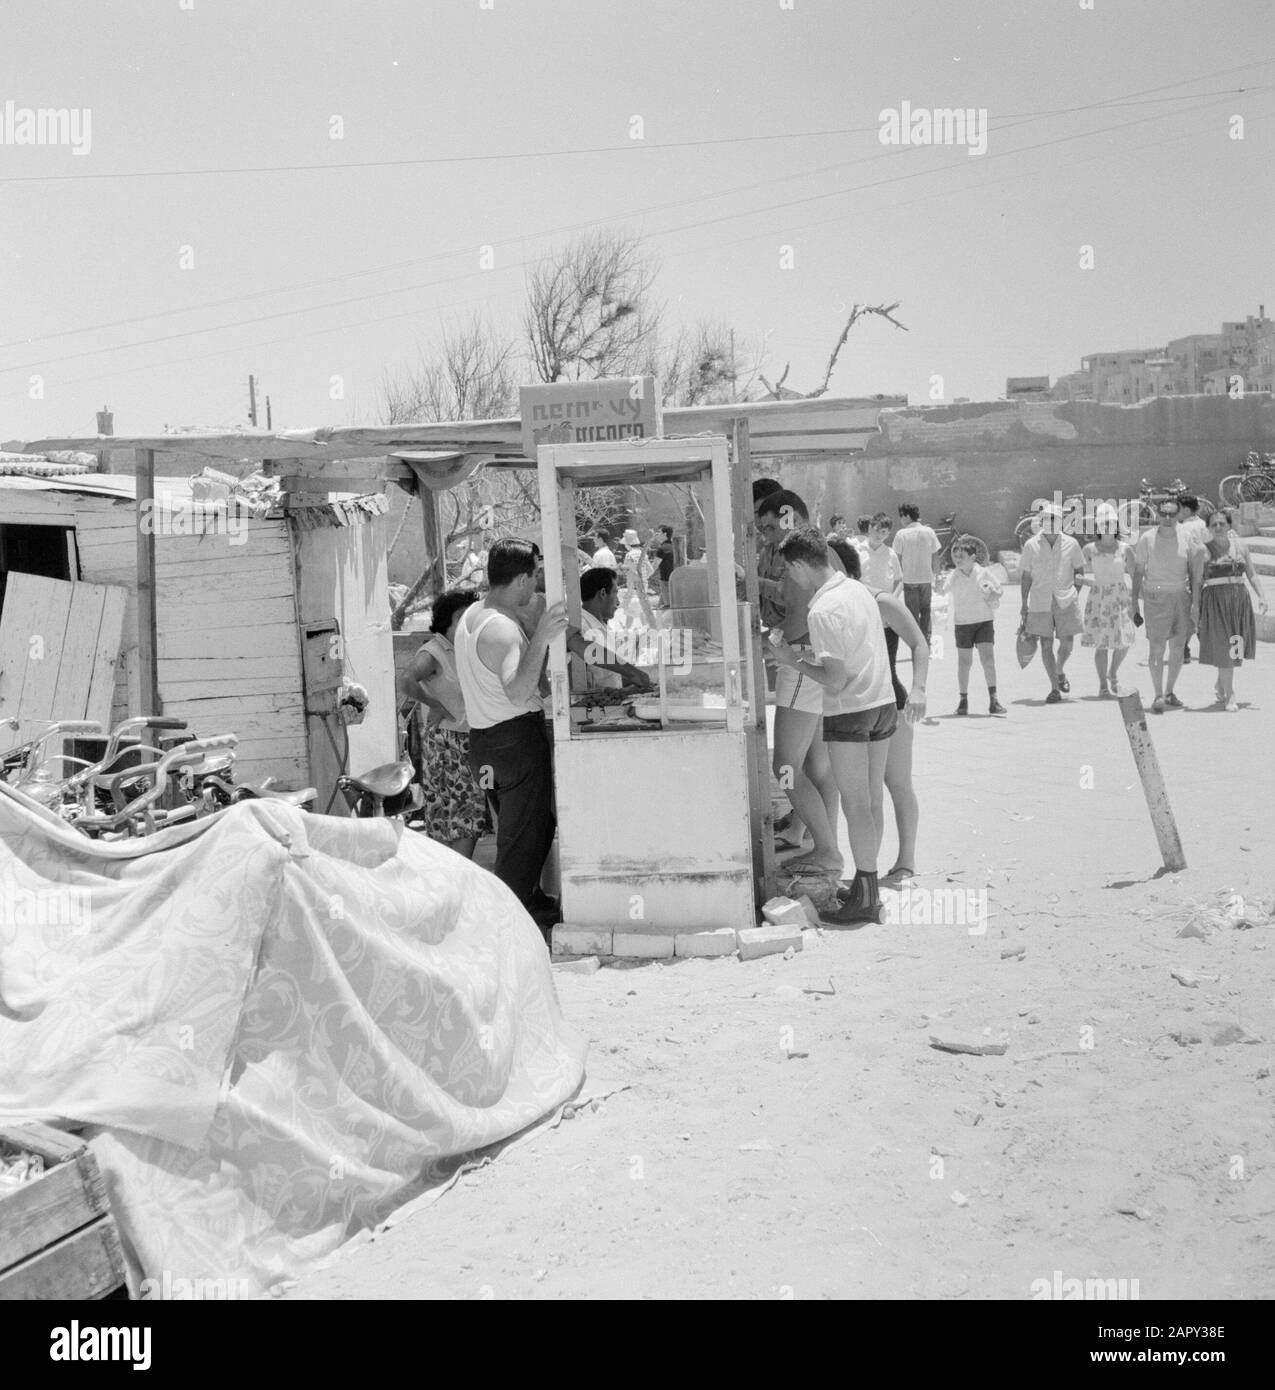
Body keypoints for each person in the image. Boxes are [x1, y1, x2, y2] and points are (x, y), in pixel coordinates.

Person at [770, 528, 913, 926]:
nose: (789, 579)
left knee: (856, 806)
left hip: (850, 711)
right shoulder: (858, 591)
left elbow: (832, 678)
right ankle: (867, 886)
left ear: (800, 564)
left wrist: (788, 658)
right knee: (867, 803)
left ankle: (866, 899)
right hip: (882, 703)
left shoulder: (823, 609)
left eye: (787, 570)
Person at [454, 538, 567, 922]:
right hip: (514, 739)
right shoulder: (501, 629)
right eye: (535, 575)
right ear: (521, 579)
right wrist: (541, 636)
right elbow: (519, 691)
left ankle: (530, 902)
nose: (537, 583)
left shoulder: (473, 614)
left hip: (485, 743)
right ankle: (509, 924)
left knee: (519, 833)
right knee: (524, 839)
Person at [828, 538, 929, 886]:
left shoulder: (880, 600)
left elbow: (919, 643)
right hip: (861, 706)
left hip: (894, 703)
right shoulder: (834, 605)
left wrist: (919, 689)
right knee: (869, 794)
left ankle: (905, 861)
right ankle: (867, 874)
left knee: (897, 784)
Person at [755, 489, 845, 874]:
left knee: (785, 767)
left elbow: (795, 619)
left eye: (771, 527)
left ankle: (826, 849)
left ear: (790, 515)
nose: (768, 537)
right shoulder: (823, 550)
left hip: (802, 665)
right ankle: (827, 843)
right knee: (818, 766)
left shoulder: (798, 555)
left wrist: (770, 646)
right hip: (821, 664)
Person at [401, 589, 487, 859]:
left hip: (468, 740)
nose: (466, 624)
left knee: (468, 814)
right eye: (460, 618)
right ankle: (457, 875)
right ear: (445, 621)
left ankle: (457, 874)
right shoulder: (435, 650)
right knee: (456, 815)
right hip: (447, 743)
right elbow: (405, 681)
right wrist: (435, 704)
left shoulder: (463, 650)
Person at [1191, 507, 1267, 711]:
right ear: (1207, 527)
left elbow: (1252, 574)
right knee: (1224, 647)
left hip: (1238, 600)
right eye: (1213, 524)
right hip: (1215, 601)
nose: (1217, 527)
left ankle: (1220, 682)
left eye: (1221, 523)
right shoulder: (1202, 551)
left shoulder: (1241, 546)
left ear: (1229, 525)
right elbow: (1197, 582)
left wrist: (1262, 595)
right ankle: (1230, 694)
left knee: (1235, 647)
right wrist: (1195, 607)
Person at [1131, 499, 1202, 713]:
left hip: (1181, 596)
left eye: (1173, 514)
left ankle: (1170, 692)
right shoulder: (1147, 538)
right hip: (1156, 597)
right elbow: (1138, 571)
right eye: (1164, 514)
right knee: (1157, 648)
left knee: (1178, 647)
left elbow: (1195, 574)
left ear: (1178, 515)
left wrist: (1196, 604)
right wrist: (1134, 601)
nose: (1168, 518)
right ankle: (1157, 694)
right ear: (1158, 515)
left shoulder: (1187, 536)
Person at [1019, 502, 1086, 703]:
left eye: (1053, 519)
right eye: (1045, 519)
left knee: (1067, 644)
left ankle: (1059, 670)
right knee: (1046, 644)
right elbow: (1026, 576)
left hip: (1066, 600)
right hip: (1040, 601)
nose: (1049, 522)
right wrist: (1024, 603)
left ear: (1060, 521)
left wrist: (1074, 593)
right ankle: (1054, 688)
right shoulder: (1031, 545)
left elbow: (1080, 571)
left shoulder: (1072, 544)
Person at [941, 539, 1005, 715]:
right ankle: (963, 700)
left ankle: (994, 700)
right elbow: (942, 591)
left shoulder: (983, 572)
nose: (957, 559)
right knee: (964, 662)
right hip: (963, 624)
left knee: (988, 660)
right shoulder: (953, 575)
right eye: (955, 556)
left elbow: (999, 590)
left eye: (961, 556)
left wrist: (992, 592)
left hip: (984, 621)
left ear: (973, 557)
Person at [1079, 506, 1137, 697]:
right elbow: (1074, 572)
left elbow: (1136, 576)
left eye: (1111, 523)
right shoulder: (1089, 549)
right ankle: (1103, 685)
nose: (1107, 526)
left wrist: (1139, 598)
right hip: (1098, 598)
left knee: (1124, 641)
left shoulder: (1125, 549)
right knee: (1101, 644)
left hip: (1120, 598)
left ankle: (1113, 673)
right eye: (1104, 523)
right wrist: (1085, 583)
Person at [567, 568, 653, 692]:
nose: (618, 602)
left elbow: (610, 675)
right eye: (615, 593)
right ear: (602, 593)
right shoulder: (580, 626)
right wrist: (632, 673)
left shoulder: (602, 626)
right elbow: (587, 653)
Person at [892, 503, 941, 642]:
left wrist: (896, 579)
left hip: (909, 580)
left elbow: (896, 559)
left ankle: (917, 641)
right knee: (926, 610)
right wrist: (937, 575)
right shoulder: (929, 531)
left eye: (901, 516)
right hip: (926, 579)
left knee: (912, 613)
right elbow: (935, 555)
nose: (901, 520)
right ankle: (926, 639)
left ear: (907, 516)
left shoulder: (901, 534)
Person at [1177, 496, 1208, 662]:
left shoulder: (1182, 529)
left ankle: (1184, 648)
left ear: (1186, 510)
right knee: (1202, 610)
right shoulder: (1205, 525)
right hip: (1206, 575)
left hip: (1188, 576)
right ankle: (1207, 646)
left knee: (1188, 612)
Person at [862, 513, 903, 595]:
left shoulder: (891, 554)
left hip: (885, 602)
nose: (879, 535)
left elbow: (899, 580)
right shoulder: (858, 551)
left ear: (888, 534)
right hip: (864, 601)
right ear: (870, 528)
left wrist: (892, 599)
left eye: (883, 532)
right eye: (877, 530)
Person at [652, 524, 677, 607]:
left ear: (665, 534)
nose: (657, 535)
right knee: (661, 606)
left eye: (659, 532)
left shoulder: (662, 549)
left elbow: (654, 567)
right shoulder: (675, 546)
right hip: (675, 580)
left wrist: (643, 576)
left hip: (665, 581)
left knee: (667, 607)